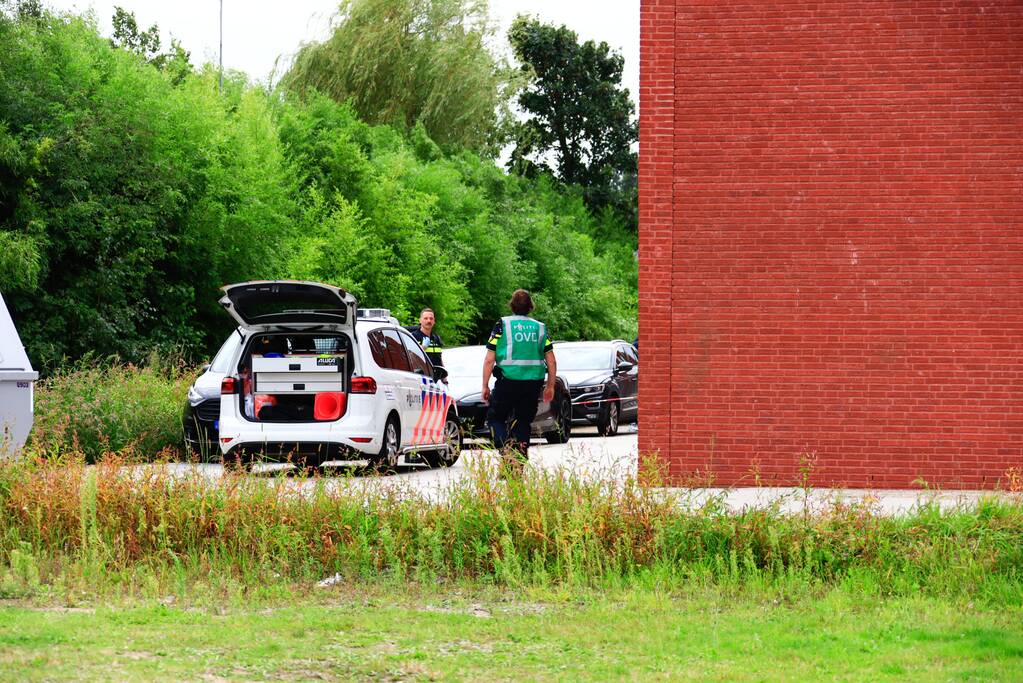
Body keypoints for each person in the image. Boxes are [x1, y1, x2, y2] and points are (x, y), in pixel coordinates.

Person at [482, 289, 556, 475]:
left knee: (495, 418)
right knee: (523, 422)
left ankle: (506, 451)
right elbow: (551, 360)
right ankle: (518, 463)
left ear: (512, 305)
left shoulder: (502, 325)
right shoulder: (540, 327)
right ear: (530, 306)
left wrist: (484, 385)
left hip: (508, 381)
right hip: (533, 383)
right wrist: (551, 386)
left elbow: (490, 358)